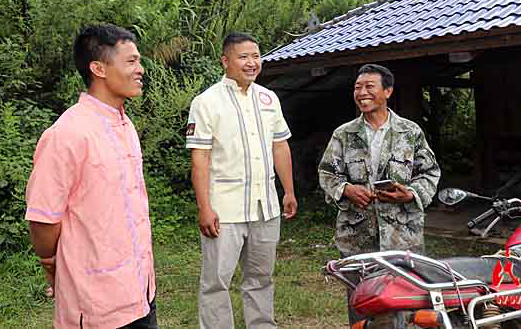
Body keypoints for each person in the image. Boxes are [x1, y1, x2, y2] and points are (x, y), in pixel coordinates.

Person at [25, 23, 157, 329]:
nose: (140, 69)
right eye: (131, 61)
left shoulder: (126, 125)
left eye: (139, 61)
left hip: (141, 288)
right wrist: (51, 264)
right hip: (97, 302)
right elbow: (43, 219)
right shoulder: (67, 133)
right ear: (98, 68)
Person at [186, 32, 298, 329]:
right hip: (224, 209)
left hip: (265, 206)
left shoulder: (268, 98)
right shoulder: (206, 102)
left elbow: (280, 146)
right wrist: (204, 207)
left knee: (261, 277)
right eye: (243, 57)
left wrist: (288, 190)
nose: (251, 63)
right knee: (216, 282)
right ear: (225, 61)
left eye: (256, 56)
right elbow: (200, 158)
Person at [318, 63, 441, 328]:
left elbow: (430, 173)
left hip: (402, 237)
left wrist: (410, 194)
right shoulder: (344, 134)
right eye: (357, 87)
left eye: (369, 86)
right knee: (361, 302)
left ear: (387, 91)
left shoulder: (410, 132)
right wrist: (347, 190)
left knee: (405, 300)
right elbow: (327, 174)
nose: (362, 92)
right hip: (357, 237)